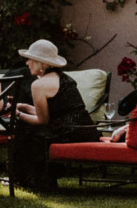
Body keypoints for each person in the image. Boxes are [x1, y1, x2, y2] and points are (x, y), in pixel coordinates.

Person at [10, 39, 100, 193]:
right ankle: (34, 177)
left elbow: (42, 120)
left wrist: (17, 114)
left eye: (30, 59)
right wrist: (24, 107)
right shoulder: (64, 78)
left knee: (25, 129)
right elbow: (56, 113)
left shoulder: (38, 85)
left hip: (69, 132)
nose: (27, 63)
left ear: (40, 63)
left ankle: (30, 178)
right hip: (85, 130)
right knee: (28, 128)